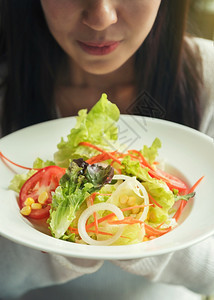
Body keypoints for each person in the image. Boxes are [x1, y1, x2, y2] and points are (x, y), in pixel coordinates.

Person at [0, 0, 214, 299]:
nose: (101, 18)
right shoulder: (6, 85)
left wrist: (135, 230)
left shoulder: (208, 75)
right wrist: (72, 236)